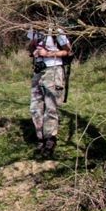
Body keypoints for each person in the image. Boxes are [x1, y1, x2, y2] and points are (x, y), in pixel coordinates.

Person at [27, 25, 72, 158]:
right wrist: (33, 48)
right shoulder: (33, 30)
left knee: (51, 107)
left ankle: (50, 140)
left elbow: (68, 51)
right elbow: (30, 47)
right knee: (35, 107)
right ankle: (40, 138)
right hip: (38, 70)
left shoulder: (56, 30)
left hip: (53, 70)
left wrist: (48, 54)